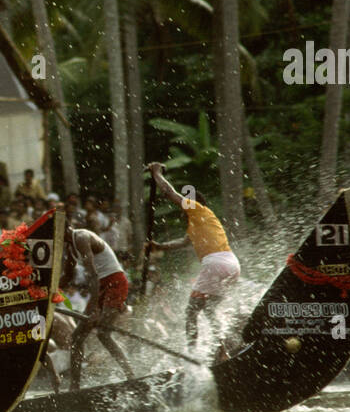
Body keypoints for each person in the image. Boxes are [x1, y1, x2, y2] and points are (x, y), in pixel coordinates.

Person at [146, 163, 241, 347]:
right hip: (232, 265)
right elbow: (182, 243)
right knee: (209, 309)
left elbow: (169, 192)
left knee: (191, 312)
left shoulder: (197, 209)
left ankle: (192, 354)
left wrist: (156, 172)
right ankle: (222, 348)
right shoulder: (198, 223)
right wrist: (159, 246)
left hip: (215, 264)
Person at [65, 226, 135, 388]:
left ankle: (130, 375)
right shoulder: (69, 246)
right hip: (100, 285)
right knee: (76, 338)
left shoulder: (81, 238)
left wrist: (94, 310)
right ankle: (74, 386)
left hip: (115, 282)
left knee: (103, 333)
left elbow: (93, 275)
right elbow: (67, 276)